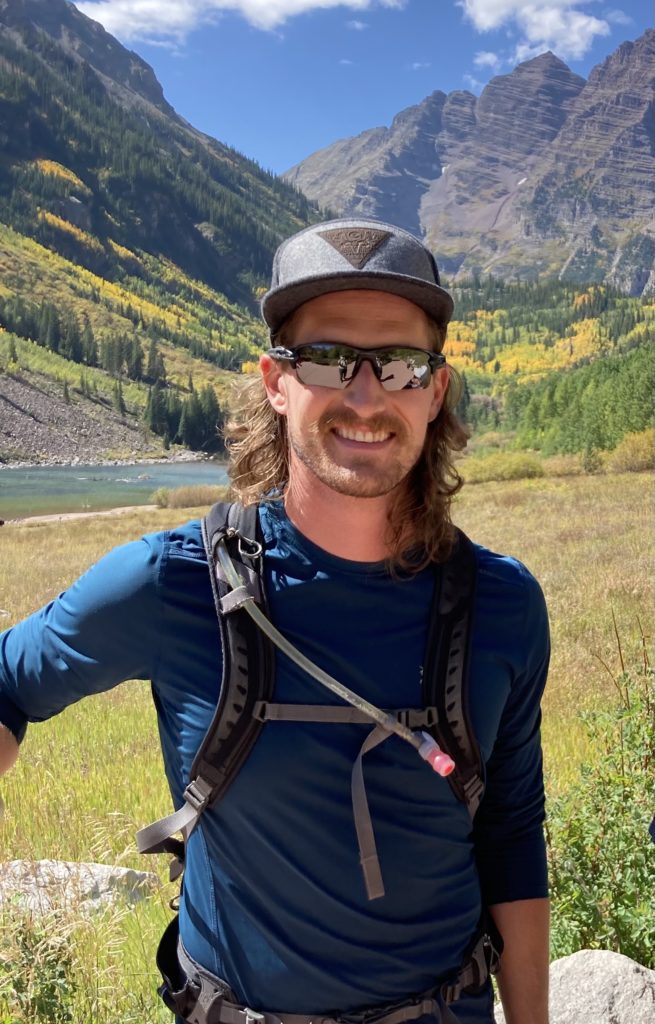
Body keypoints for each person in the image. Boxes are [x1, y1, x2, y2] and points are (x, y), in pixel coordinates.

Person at [0, 218, 550, 1024]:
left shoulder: (503, 606)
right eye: (327, 359)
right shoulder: (168, 583)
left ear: (434, 391)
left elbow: (510, 831)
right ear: (275, 380)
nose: (365, 395)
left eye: (398, 364)